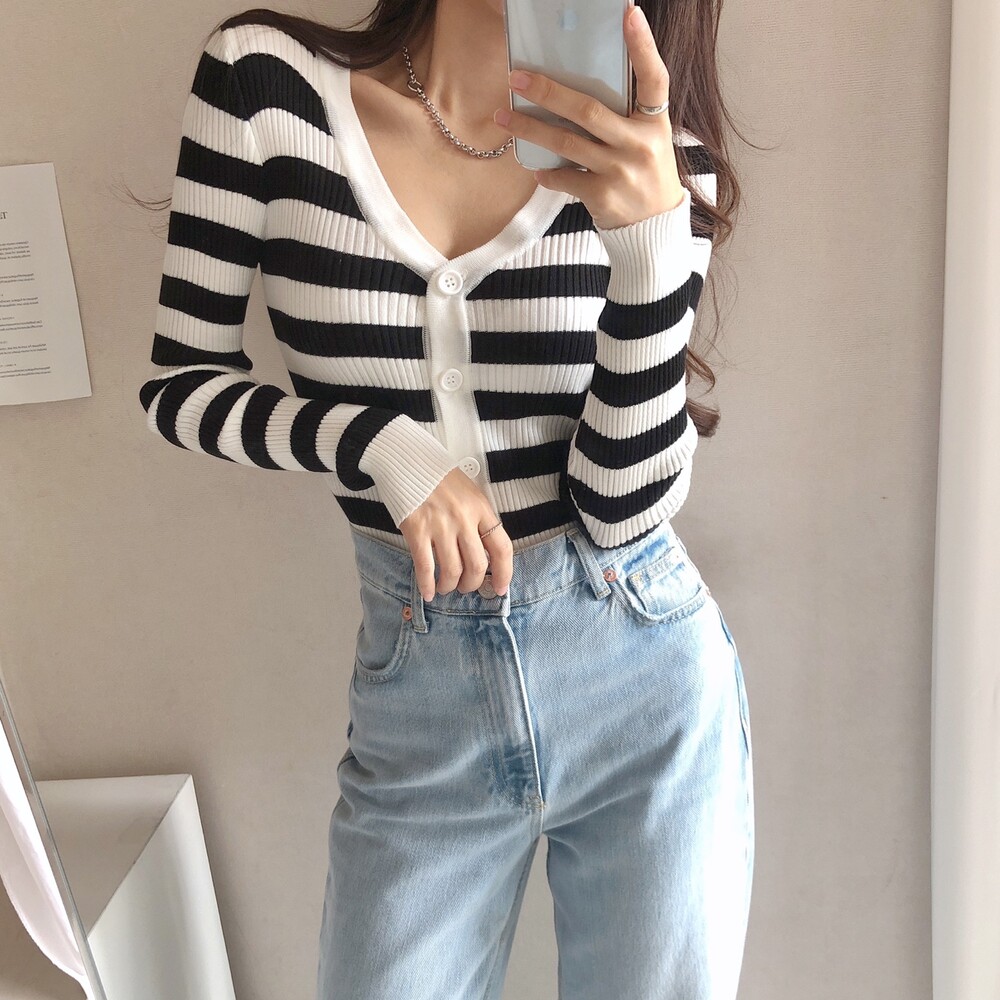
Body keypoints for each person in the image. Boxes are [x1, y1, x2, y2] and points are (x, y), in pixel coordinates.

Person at [137, 1, 754, 997]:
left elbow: (620, 507)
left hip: (641, 676)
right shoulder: (264, 85)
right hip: (419, 687)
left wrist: (648, 251)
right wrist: (379, 445)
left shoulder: (657, 160)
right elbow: (181, 387)